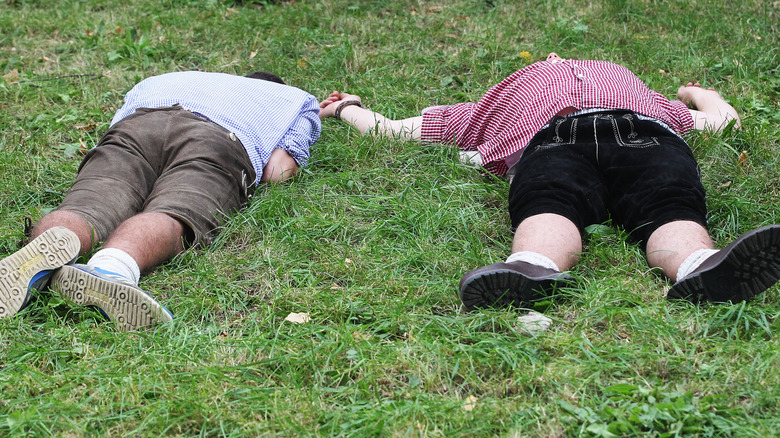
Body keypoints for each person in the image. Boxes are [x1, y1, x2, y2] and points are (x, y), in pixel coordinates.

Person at [320, 52, 780, 311]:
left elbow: (722, 123)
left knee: (666, 200)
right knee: (547, 200)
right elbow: (393, 130)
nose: (558, 61)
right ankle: (530, 268)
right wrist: (347, 108)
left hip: (642, 133)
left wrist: (699, 93)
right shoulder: (489, 107)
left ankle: (699, 266)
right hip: (553, 142)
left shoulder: (650, 96)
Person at [0, 70, 323, 330]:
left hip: (140, 125)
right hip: (218, 140)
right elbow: (277, 173)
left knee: (87, 207)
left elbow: (119, 122)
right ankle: (111, 269)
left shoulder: (164, 79)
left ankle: (42, 257)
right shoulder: (293, 99)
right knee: (175, 210)